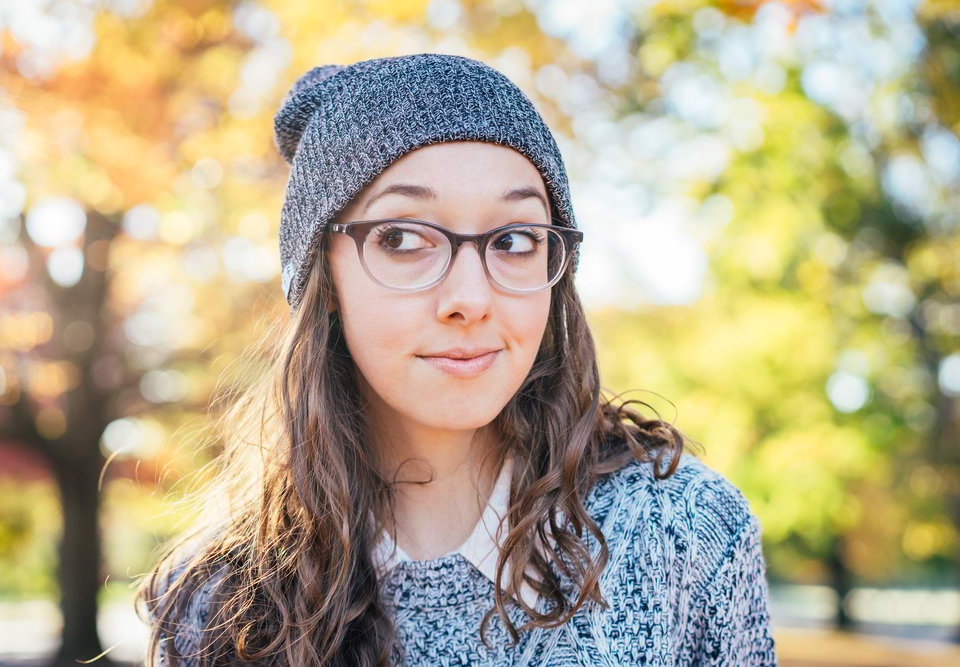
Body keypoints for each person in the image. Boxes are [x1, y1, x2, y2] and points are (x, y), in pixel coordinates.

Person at [140, 54, 777, 666]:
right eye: (402, 238)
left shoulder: (684, 531)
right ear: (323, 281)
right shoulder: (215, 605)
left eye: (516, 239)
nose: (471, 299)